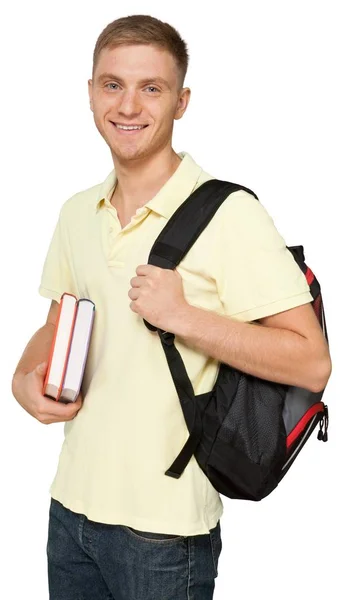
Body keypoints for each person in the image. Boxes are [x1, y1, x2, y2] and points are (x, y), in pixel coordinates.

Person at [11, 14, 332, 600]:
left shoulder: (230, 213)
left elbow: (312, 363)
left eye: (151, 88)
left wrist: (184, 317)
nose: (128, 105)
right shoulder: (77, 212)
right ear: (89, 93)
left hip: (164, 534)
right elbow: (58, 323)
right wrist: (22, 381)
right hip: (70, 512)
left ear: (181, 101)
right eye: (112, 85)